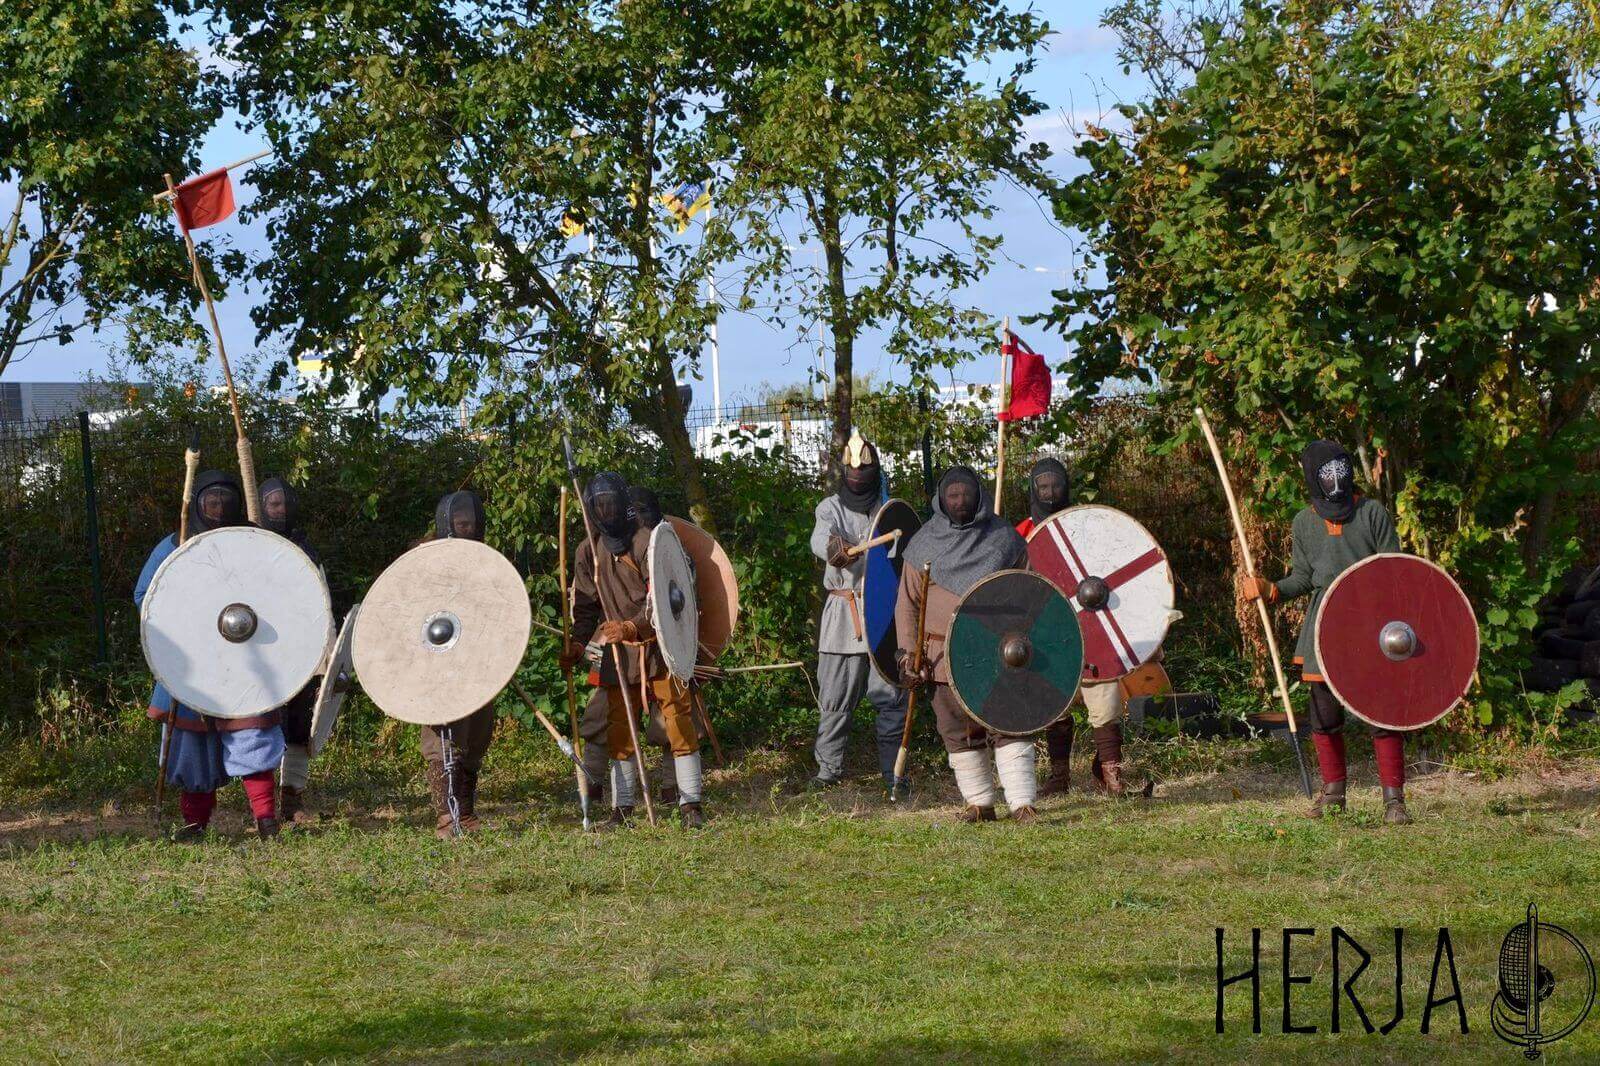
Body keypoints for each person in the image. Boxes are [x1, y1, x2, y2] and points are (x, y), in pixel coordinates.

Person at [1239, 440, 1410, 823]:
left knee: (1381, 714)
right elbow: (1303, 577)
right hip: (1325, 626)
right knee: (1324, 714)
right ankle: (1333, 795)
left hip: (1371, 625)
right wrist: (1270, 589)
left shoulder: (1371, 513)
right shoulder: (1304, 522)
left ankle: (1394, 801)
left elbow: (1395, 571)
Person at [136, 470, 284, 840]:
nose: (218, 507)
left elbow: (281, 590)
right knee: (194, 746)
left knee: (252, 735)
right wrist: (182, 616)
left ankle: (266, 819)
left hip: (248, 656)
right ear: (199, 502)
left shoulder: (252, 541)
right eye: (211, 500)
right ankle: (194, 823)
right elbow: (146, 597)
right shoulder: (177, 544)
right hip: (195, 662)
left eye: (225, 500)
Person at [896, 466, 1037, 823]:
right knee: (957, 728)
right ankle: (979, 803)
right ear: (941, 500)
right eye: (953, 495)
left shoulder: (1004, 540)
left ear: (980, 497)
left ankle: (1022, 803)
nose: (960, 501)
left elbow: (1028, 591)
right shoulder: (922, 546)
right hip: (942, 655)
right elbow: (908, 605)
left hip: (998, 650)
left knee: (1008, 719)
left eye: (967, 494)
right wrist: (909, 655)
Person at [565, 473, 706, 828]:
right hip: (617, 652)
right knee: (619, 727)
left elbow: (663, 599)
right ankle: (623, 808)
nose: (606, 511)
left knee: (678, 718)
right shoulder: (588, 550)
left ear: (624, 505)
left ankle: (691, 804)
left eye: (611, 503)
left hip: (660, 646)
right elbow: (585, 605)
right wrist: (579, 644)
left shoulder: (649, 544)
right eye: (599, 506)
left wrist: (633, 626)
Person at [808, 431, 908, 792]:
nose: (857, 475)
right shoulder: (830, 508)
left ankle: (894, 774)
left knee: (891, 699)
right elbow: (821, 539)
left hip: (885, 615)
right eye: (851, 470)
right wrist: (837, 548)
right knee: (834, 699)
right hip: (843, 614)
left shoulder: (888, 509)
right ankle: (828, 771)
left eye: (863, 469)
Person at [419, 490, 498, 837]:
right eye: (460, 521)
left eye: (471, 521)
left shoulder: (485, 563)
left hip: (476, 662)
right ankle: (445, 817)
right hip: (439, 664)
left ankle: (464, 812)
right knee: (443, 740)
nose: (466, 526)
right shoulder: (426, 562)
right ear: (446, 523)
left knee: (476, 736)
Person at [260, 476, 323, 826]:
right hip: (260, 651)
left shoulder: (305, 549)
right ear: (262, 506)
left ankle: (291, 798)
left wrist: (326, 653)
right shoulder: (251, 546)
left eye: (285, 503)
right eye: (273, 504)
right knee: (262, 726)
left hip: (299, 649)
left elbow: (319, 599)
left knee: (297, 724)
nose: (280, 510)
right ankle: (263, 804)